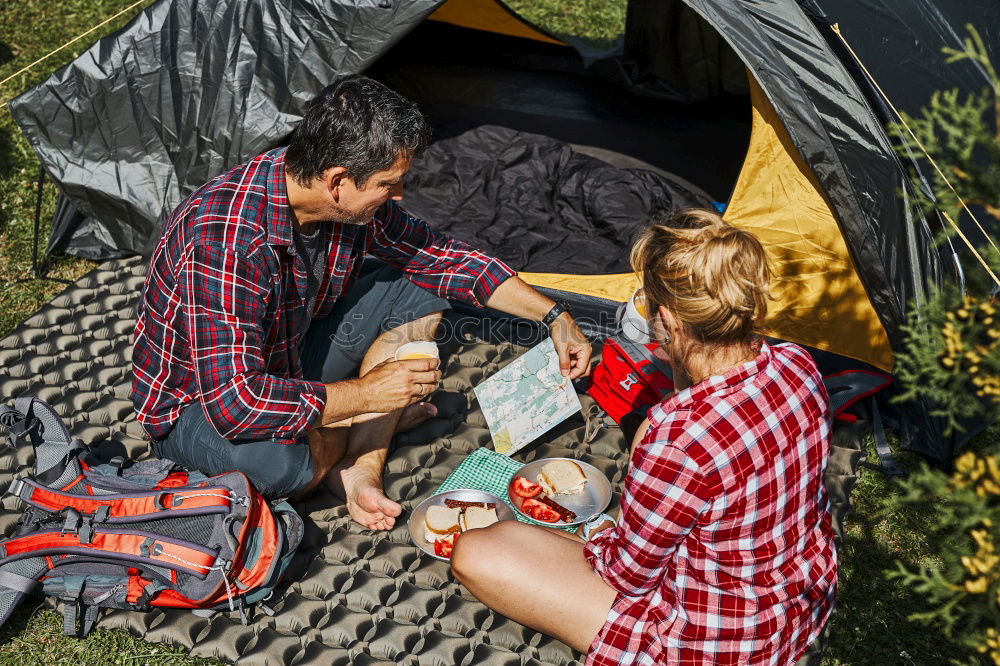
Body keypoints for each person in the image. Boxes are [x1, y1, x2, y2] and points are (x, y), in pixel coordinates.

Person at [132, 75, 591, 530]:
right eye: (389, 184)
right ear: (338, 181)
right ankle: (361, 433)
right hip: (198, 409)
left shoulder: (334, 199)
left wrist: (555, 316)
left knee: (422, 286)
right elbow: (236, 405)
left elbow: (438, 258)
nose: (399, 195)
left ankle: (359, 468)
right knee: (278, 468)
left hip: (285, 357)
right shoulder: (227, 241)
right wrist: (370, 396)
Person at [451, 209, 837, 664]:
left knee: (478, 551)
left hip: (716, 641)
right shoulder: (797, 364)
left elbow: (628, 575)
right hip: (798, 600)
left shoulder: (676, 438)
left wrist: (595, 535)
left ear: (670, 320)